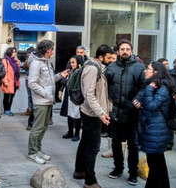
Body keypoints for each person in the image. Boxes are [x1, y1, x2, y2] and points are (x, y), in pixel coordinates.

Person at [73, 44, 115, 188]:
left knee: (85, 141)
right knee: (93, 147)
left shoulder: (98, 67)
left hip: (91, 112)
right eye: (109, 58)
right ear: (101, 57)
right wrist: (101, 113)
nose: (111, 61)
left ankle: (79, 171)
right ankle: (90, 181)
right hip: (91, 114)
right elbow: (89, 95)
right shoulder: (92, 68)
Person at [105, 39, 145, 186]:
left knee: (133, 145)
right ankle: (118, 168)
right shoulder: (111, 67)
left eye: (128, 49)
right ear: (118, 51)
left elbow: (143, 87)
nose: (125, 51)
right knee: (115, 143)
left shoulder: (139, 67)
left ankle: (133, 173)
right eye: (122, 49)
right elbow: (105, 87)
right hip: (115, 112)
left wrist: (137, 99)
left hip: (132, 112)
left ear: (132, 51)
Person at [27, 40, 69, 164]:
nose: (53, 52)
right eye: (52, 49)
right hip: (41, 101)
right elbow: (32, 83)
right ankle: (32, 152)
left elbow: (49, 81)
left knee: (44, 127)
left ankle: (38, 150)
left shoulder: (46, 63)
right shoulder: (36, 64)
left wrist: (60, 75)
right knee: (37, 128)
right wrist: (46, 93)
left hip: (47, 101)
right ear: (47, 50)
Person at [139, 61, 174, 188]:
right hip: (153, 128)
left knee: (154, 164)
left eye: (148, 69)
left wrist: (149, 89)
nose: (145, 71)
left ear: (155, 72)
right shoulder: (156, 86)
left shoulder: (162, 88)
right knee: (158, 163)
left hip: (157, 129)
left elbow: (152, 106)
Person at [60, 55, 84, 142]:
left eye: (73, 62)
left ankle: (77, 133)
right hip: (69, 95)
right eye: (71, 62)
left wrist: (65, 81)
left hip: (76, 96)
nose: (71, 64)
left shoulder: (79, 72)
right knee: (69, 114)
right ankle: (70, 132)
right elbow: (64, 82)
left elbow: (67, 82)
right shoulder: (71, 71)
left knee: (76, 115)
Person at [1, 47, 21, 116]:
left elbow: (17, 68)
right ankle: (6, 110)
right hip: (8, 81)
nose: (14, 53)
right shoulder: (5, 60)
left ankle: (9, 109)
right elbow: (4, 71)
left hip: (15, 81)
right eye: (13, 52)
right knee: (7, 96)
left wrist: (17, 60)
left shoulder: (14, 61)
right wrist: (5, 80)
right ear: (10, 52)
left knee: (12, 96)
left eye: (15, 51)